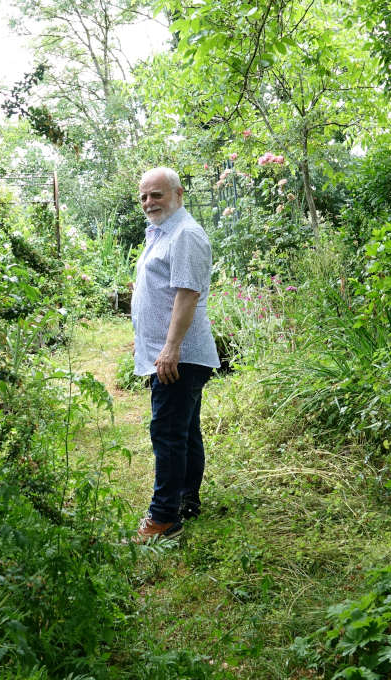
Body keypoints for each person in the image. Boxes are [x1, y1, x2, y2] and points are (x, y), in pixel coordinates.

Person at [129, 166, 220, 542]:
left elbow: (188, 294)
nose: (150, 202)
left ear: (178, 194)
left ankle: (164, 518)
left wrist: (170, 347)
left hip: (178, 355)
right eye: (144, 197)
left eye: (157, 194)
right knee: (183, 431)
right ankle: (186, 500)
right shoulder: (161, 232)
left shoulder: (185, 234)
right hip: (169, 352)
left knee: (167, 434)